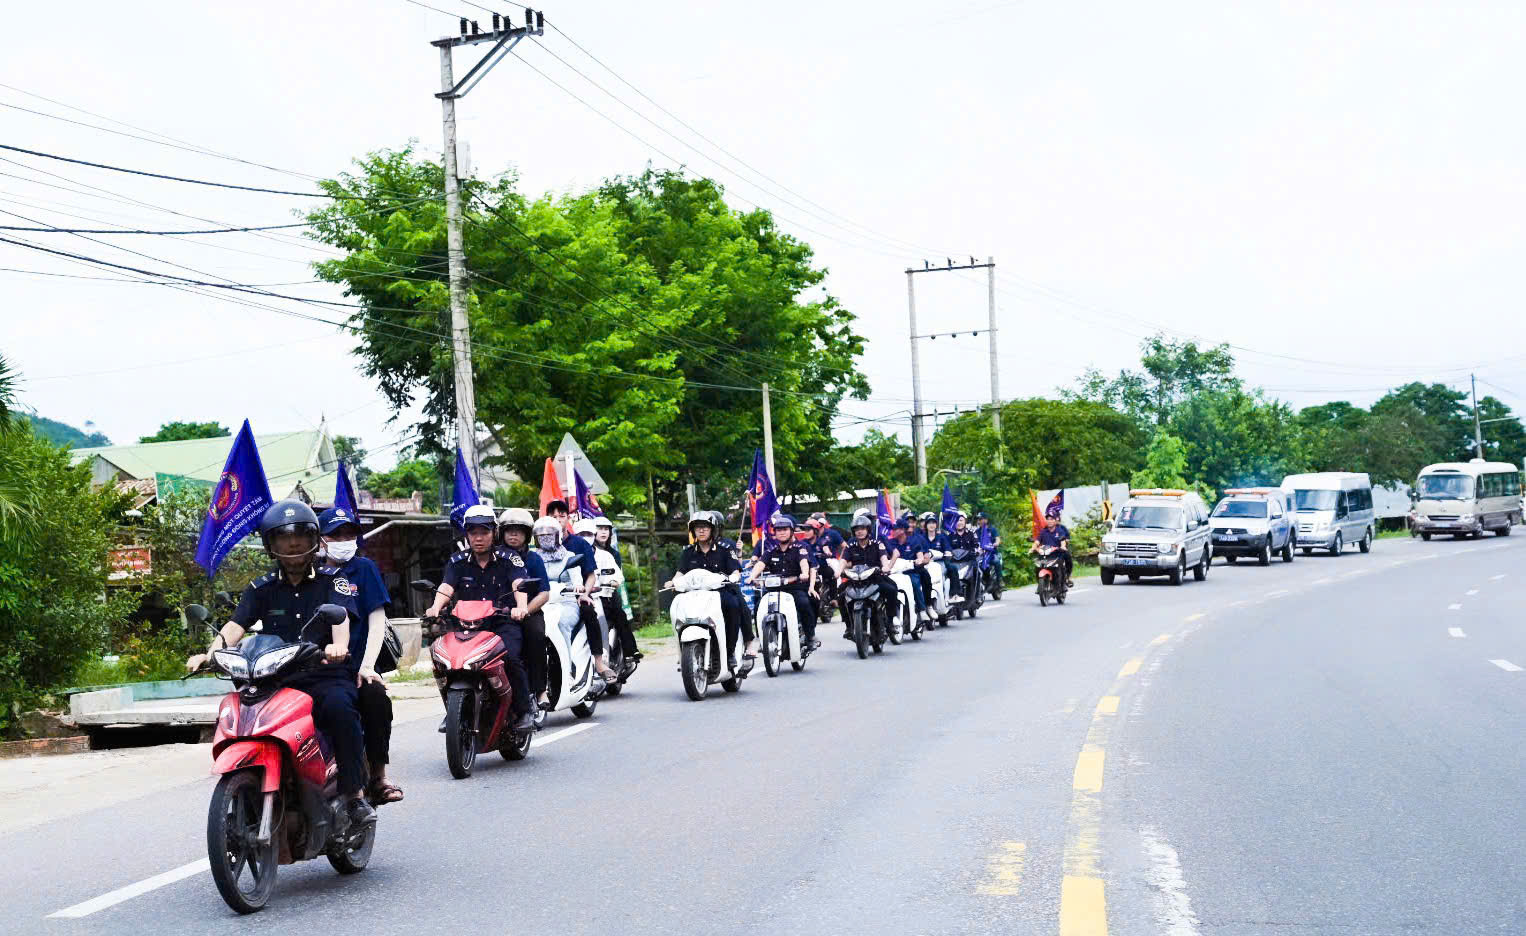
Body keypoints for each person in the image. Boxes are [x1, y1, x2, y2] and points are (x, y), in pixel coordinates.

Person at [186, 500, 376, 828]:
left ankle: (354, 795)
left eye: (300, 536)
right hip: (275, 678)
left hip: (323, 674)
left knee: (341, 710)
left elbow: (341, 617)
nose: (293, 544)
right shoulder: (261, 588)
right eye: (283, 538)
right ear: (270, 545)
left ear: (314, 539)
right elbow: (235, 627)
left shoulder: (333, 580)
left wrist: (338, 647)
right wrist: (210, 653)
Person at [424, 505, 536, 732]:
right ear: (466, 534)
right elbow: (446, 586)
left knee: (511, 658)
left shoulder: (509, 558)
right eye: (473, 532)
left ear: (494, 532)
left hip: (501, 623)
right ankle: (453, 711)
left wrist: (521, 607)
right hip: (465, 626)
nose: (478, 538)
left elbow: (519, 583)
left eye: (484, 532)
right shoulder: (457, 560)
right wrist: (435, 607)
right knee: (445, 663)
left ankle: (525, 710)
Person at [318, 507, 402, 805]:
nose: (343, 539)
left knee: (376, 699)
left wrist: (367, 664)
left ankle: (378, 776)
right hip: (315, 666)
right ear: (321, 540)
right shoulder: (311, 573)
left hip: (358, 662)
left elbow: (377, 618)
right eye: (335, 534)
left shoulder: (363, 569)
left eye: (348, 533)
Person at [531, 515, 620, 685]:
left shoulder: (569, 556)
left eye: (550, 534)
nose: (546, 538)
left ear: (558, 535)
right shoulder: (534, 558)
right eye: (541, 536)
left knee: (562, 623)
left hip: (567, 601)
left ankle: (569, 664)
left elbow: (578, 579)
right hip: (542, 603)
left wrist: (580, 588)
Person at [674, 512, 755, 671]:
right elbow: (680, 573)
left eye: (705, 527)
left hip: (720, 591)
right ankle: (683, 653)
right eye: (697, 528)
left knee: (733, 606)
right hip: (695, 594)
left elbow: (735, 570)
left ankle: (730, 652)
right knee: (678, 609)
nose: (701, 531)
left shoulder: (725, 549)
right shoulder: (688, 551)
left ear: (713, 530)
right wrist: (672, 581)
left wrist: (734, 577)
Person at [497, 508, 552, 711]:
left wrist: (525, 610)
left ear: (527, 535)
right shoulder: (494, 558)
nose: (513, 534)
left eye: (519, 531)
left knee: (536, 636)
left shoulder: (534, 559)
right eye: (509, 530)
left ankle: (540, 690)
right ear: (501, 533)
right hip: (498, 613)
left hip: (528, 612)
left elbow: (544, 593)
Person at [747, 513, 819, 649]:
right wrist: (752, 576)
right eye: (778, 530)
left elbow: (804, 562)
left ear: (791, 531)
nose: (782, 533)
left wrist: (804, 573)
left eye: (785, 529)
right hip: (774, 588)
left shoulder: (800, 547)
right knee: (758, 608)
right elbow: (761, 563)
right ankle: (764, 640)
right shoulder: (771, 549)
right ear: (774, 533)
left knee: (804, 603)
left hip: (795, 587)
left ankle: (810, 636)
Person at [588, 515, 640, 670]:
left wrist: (613, 581)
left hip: (609, 593)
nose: (603, 532)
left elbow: (616, 575)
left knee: (620, 615)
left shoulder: (612, 554)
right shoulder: (584, 550)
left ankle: (630, 651)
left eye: (606, 529)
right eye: (599, 528)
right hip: (589, 594)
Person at [839, 509, 900, 638]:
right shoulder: (851, 544)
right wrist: (838, 571)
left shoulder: (877, 543)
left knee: (891, 589)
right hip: (856, 580)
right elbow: (843, 560)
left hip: (875, 578)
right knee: (840, 594)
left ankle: (891, 620)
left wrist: (885, 567)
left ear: (868, 529)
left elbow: (884, 557)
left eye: (862, 528)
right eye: (856, 529)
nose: (859, 531)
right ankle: (849, 626)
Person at [887, 518, 928, 618]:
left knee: (915, 583)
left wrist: (919, 560)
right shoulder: (890, 542)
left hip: (910, 572)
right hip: (894, 573)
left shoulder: (914, 542)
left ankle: (922, 609)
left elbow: (920, 556)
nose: (893, 531)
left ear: (902, 530)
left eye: (895, 529)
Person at [905, 513, 937, 622]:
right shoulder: (898, 537)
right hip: (900, 570)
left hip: (916, 568)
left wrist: (920, 561)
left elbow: (926, 557)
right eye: (908, 521)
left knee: (926, 577)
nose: (910, 524)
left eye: (912, 522)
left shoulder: (920, 538)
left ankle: (927, 606)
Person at [944, 511, 981, 600]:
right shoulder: (950, 535)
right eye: (957, 520)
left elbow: (977, 545)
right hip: (955, 561)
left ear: (965, 522)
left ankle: (977, 595)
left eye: (961, 520)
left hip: (968, 561)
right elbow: (946, 547)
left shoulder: (971, 534)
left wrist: (976, 551)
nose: (959, 523)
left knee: (977, 571)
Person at [1034, 506, 1073, 587]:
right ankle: (1040, 585)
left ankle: (1066, 578)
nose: (1049, 521)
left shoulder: (1061, 529)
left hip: (1058, 553)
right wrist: (1033, 547)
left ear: (1056, 519)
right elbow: (1037, 541)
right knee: (1036, 565)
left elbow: (1065, 540)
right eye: (1048, 519)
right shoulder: (1044, 531)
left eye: (1052, 519)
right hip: (1045, 553)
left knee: (1068, 558)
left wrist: (1063, 545)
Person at [976, 511, 1004, 584]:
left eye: (980, 519)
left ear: (986, 520)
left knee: (996, 562)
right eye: (978, 519)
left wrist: (996, 543)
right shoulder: (977, 531)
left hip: (992, 553)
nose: (979, 521)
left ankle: (1000, 580)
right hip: (981, 554)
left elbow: (997, 538)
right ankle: (984, 580)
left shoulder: (992, 529)